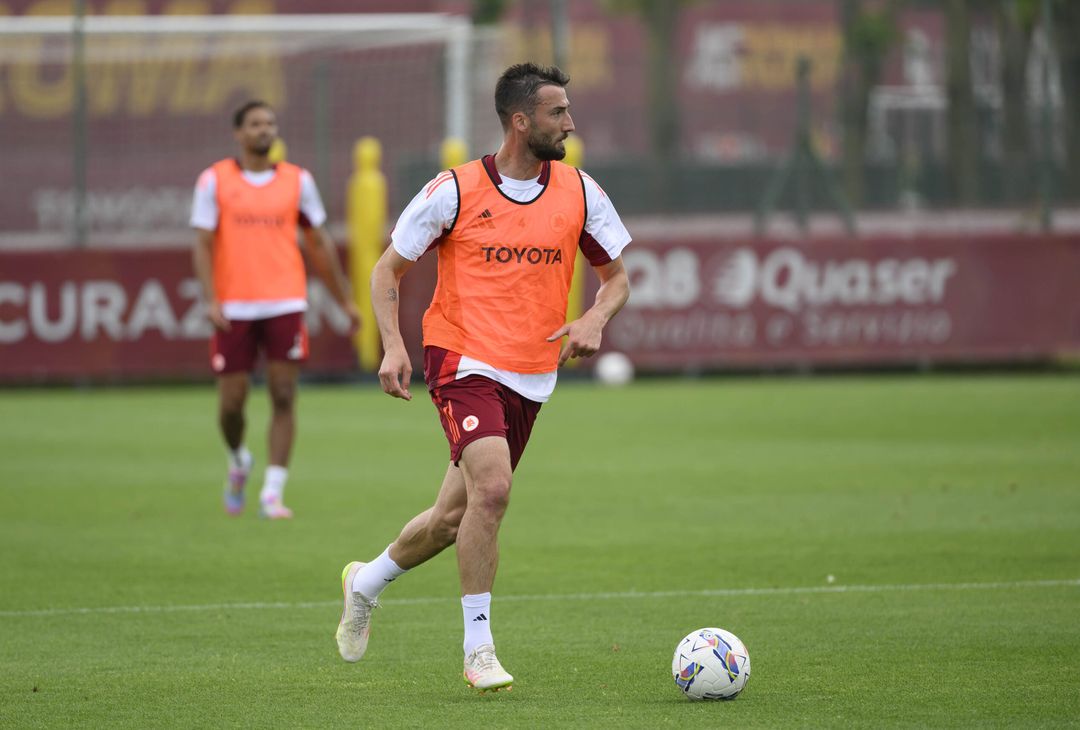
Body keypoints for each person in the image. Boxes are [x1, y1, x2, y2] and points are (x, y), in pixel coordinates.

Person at [335, 63, 631, 692]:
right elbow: (385, 273)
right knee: (492, 490)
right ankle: (479, 651)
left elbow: (618, 279)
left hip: (530, 372)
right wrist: (392, 348)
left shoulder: (580, 191)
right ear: (522, 121)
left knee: (452, 518)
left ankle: (364, 582)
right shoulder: (456, 190)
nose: (570, 122)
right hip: (461, 356)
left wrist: (596, 318)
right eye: (558, 112)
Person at [191, 100, 359, 520]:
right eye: (255, 124)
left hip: (285, 300)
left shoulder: (298, 181)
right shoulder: (214, 181)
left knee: (284, 394)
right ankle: (238, 460)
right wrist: (211, 298)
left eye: (270, 123)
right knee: (232, 404)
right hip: (234, 305)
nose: (265, 129)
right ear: (239, 133)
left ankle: (272, 491)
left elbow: (318, 243)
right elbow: (202, 244)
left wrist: (344, 299)